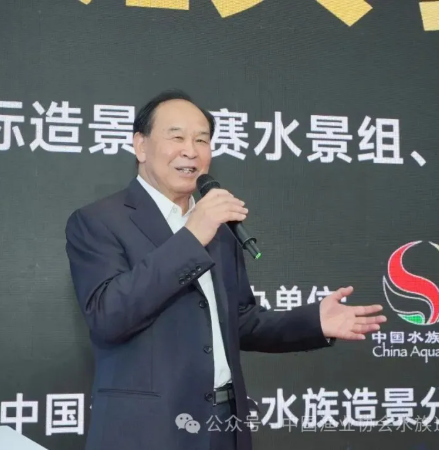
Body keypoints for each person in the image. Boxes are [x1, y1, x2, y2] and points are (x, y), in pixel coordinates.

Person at [65, 89, 386, 450]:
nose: (191, 150)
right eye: (177, 137)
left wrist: (313, 323)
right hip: (148, 432)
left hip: (223, 426)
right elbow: (108, 315)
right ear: (140, 146)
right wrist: (191, 238)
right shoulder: (99, 221)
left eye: (202, 140)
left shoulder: (218, 228)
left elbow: (240, 322)